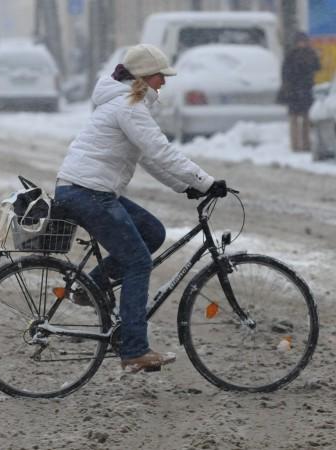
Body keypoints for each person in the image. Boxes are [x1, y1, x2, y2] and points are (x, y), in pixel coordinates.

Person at [52, 44, 227, 373]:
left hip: (88, 189)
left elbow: (148, 157)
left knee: (152, 232)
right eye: (162, 76)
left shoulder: (126, 103)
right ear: (146, 77)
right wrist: (206, 181)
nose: (165, 82)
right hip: (88, 192)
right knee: (137, 262)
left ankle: (90, 287)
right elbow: (160, 150)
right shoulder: (128, 106)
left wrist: (185, 186)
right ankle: (134, 350)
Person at [280, 31, 321, 152]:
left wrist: (317, 58)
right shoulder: (291, 55)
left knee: (306, 119)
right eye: (300, 41)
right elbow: (285, 73)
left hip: (307, 90)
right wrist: (287, 87)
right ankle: (295, 145)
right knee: (294, 120)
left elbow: (317, 67)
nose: (302, 44)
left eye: (304, 41)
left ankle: (306, 144)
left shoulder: (310, 54)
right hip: (294, 91)